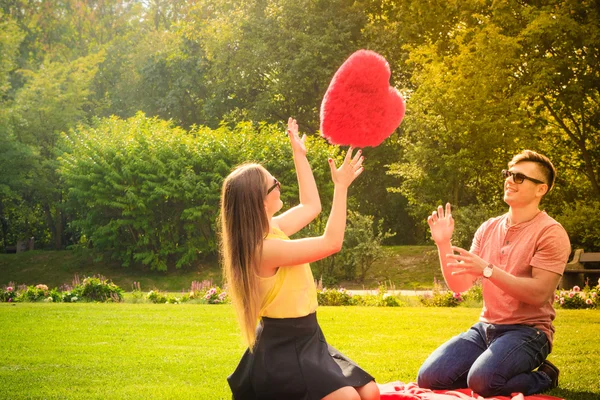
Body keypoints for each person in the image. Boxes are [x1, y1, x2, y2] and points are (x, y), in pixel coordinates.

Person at [221, 118, 380, 400]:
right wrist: (340, 187)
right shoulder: (263, 249)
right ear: (260, 201)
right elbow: (332, 243)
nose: (279, 187)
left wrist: (299, 155)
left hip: (309, 337)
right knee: (348, 399)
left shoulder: (273, 228)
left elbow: (311, 206)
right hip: (282, 347)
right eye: (275, 185)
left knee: (369, 391)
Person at [417, 150, 571, 397]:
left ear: (541, 189)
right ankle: (489, 365)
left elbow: (539, 294)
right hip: (485, 328)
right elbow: (460, 285)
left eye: (519, 177)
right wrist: (443, 243)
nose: (509, 180)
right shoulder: (488, 227)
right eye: (508, 174)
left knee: (483, 381)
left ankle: (544, 376)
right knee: (428, 377)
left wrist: (488, 271)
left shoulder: (550, 233)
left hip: (529, 331)